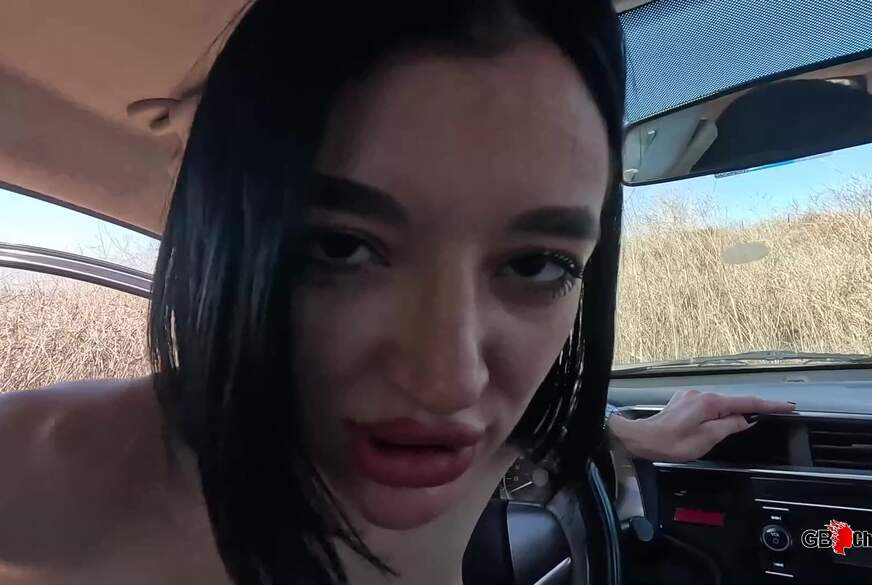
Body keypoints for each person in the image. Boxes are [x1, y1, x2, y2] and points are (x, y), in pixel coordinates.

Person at [0, 1, 792, 584]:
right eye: (341, 247)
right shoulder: (59, 467)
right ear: (225, 240)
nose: (450, 383)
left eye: (535, 264)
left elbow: (553, 433)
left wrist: (646, 435)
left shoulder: (468, 439)